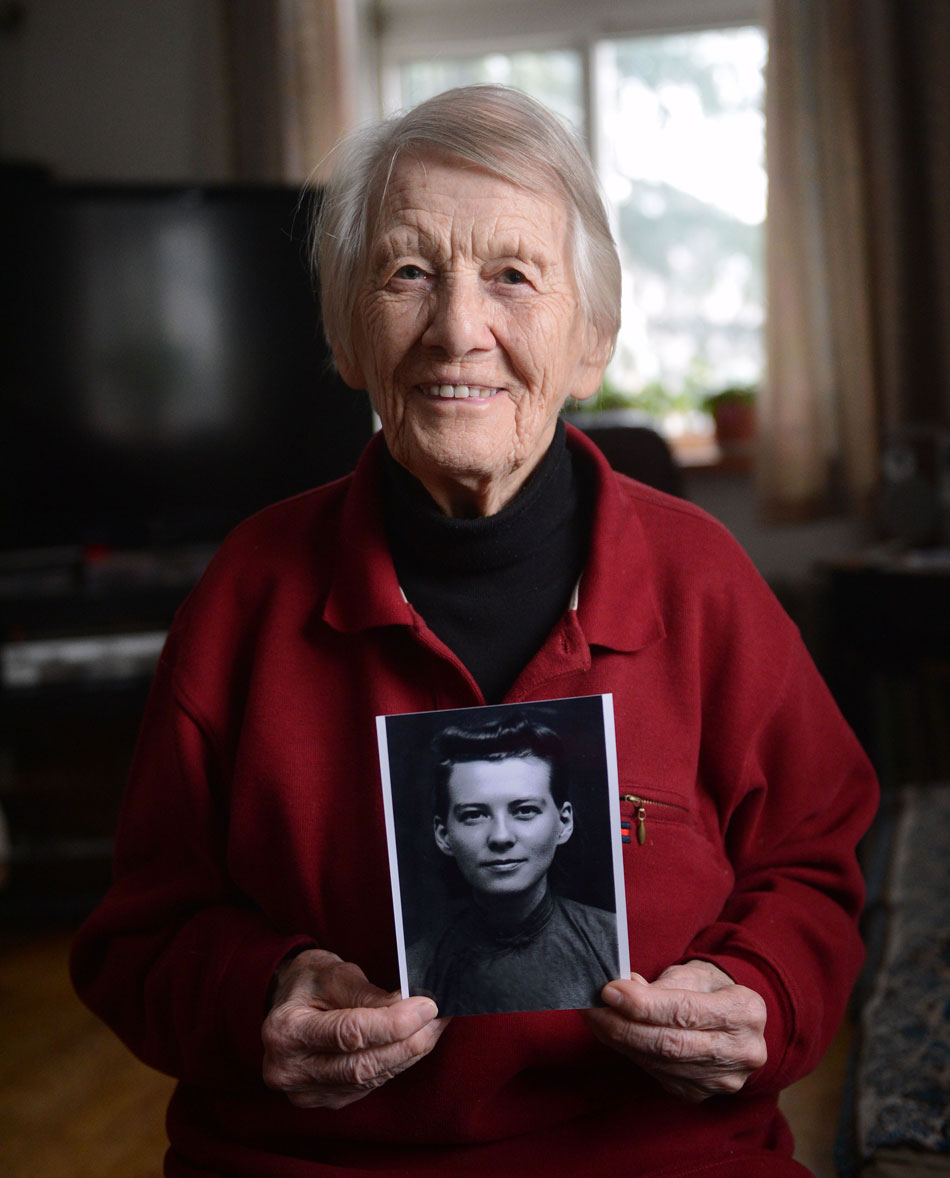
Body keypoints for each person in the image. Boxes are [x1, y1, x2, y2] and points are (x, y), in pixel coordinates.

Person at [71, 85, 878, 1177]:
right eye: (408, 273)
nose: (458, 329)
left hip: (654, 1153)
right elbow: (138, 932)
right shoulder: (245, 596)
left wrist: (761, 989)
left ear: (590, 342)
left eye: (511, 274)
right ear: (349, 335)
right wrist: (260, 991)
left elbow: (812, 864)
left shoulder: (701, 584)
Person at [408, 712, 619, 1015]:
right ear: (443, 835)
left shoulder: (610, 944)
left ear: (564, 822)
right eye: (474, 815)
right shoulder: (416, 969)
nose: (501, 837)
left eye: (524, 810)